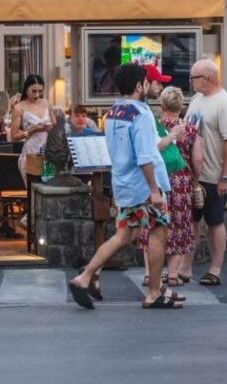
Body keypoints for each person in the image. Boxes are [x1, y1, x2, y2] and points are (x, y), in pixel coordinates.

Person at [68, 63, 179, 310]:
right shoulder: (141, 113)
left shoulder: (114, 112)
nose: (151, 86)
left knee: (124, 235)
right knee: (157, 233)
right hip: (144, 186)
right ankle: (153, 293)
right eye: (147, 82)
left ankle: (85, 276)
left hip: (123, 183)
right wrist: (154, 190)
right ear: (140, 86)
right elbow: (145, 155)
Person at [185, 58, 227, 287]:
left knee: (215, 220)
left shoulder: (225, 104)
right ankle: (185, 267)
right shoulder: (197, 100)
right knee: (192, 221)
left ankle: (215, 269)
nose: (191, 82)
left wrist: (225, 177)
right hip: (193, 173)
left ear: (206, 78)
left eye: (193, 78)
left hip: (214, 174)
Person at [137, 86, 197, 286]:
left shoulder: (154, 126)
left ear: (161, 105)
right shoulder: (189, 131)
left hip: (157, 181)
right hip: (181, 183)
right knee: (179, 226)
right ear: (182, 106)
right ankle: (172, 274)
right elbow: (199, 159)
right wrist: (196, 180)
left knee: (152, 225)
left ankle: (148, 273)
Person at [8, 75, 52, 182]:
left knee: (49, 187)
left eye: (40, 91)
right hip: (31, 153)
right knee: (33, 189)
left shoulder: (47, 103)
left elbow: (55, 126)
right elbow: (13, 137)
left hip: (49, 152)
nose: (37, 95)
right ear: (26, 90)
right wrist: (32, 130)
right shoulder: (19, 108)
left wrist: (51, 128)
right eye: (34, 91)